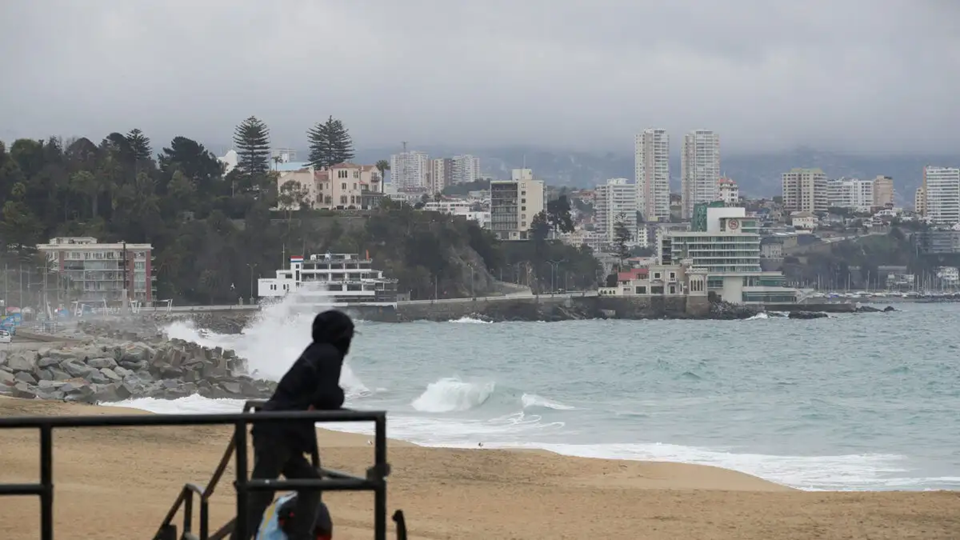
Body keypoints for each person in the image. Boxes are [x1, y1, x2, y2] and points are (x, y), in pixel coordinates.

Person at [232, 309, 354, 540]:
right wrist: (335, 397)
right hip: (280, 431)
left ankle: (300, 535)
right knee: (262, 493)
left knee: (309, 484)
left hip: (277, 429)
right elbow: (327, 395)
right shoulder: (330, 354)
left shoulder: (315, 351)